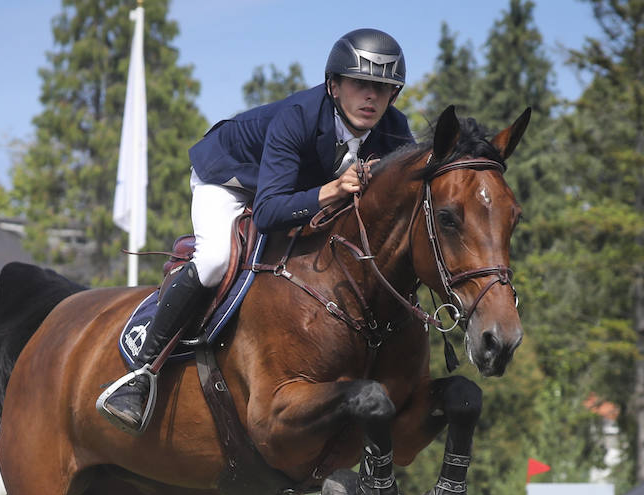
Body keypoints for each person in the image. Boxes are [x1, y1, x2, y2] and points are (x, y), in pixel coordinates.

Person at [97, 28, 416, 433]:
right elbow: (266, 212)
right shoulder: (298, 117)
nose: (371, 97)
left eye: (383, 88)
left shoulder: (394, 131)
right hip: (232, 179)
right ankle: (141, 373)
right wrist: (332, 189)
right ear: (334, 86)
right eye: (360, 84)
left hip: (292, 189)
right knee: (215, 260)